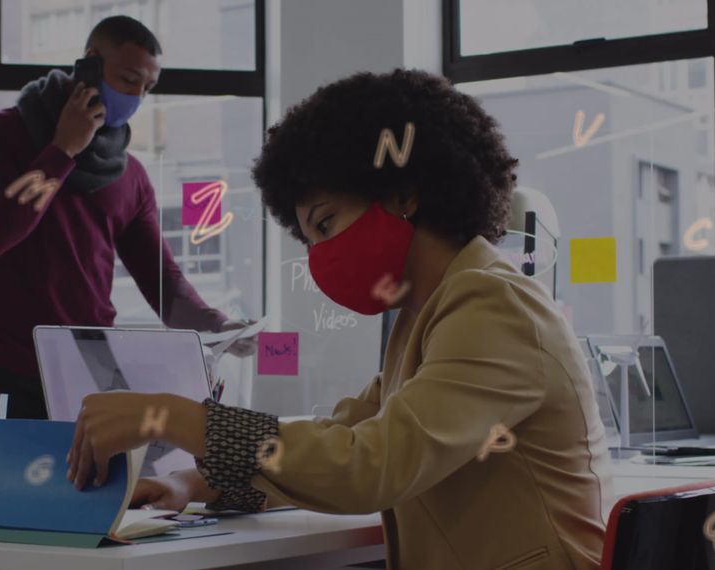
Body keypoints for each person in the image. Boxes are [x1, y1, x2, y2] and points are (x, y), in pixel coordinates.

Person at [65, 70, 614, 570]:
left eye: (325, 225)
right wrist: (196, 482)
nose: (320, 257)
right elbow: (340, 438)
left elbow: (368, 468)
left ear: (403, 194)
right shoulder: (432, 313)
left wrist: (166, 417)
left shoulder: (494, 306)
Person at [0, 16, 252, 444]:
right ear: (92, 62)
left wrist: (218, 326)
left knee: (102, 483)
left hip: (91, 368)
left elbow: (161, 280)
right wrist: (63, 150)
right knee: (4, 486)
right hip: (7, 366)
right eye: (129, 79)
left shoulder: (129, 175)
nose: (136, 97)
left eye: (147, 88)